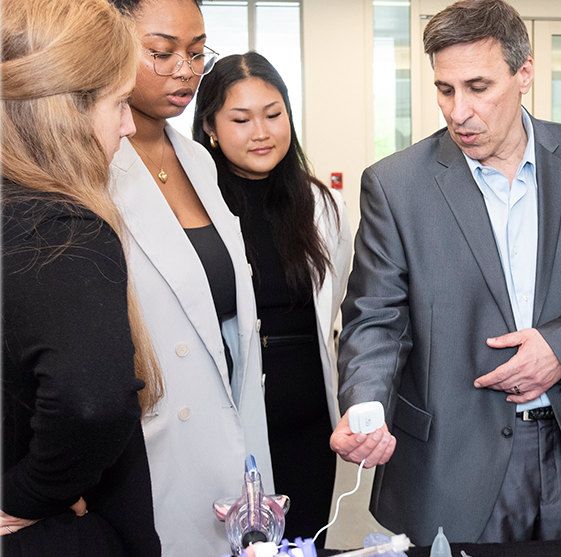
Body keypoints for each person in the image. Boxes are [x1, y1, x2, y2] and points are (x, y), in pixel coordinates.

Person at [328, 0, 561, 546]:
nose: (459, 111)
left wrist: (560, 348)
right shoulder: (396, 187)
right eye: (445, 89)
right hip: (453, 460)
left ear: (524, 72)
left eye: (478, 87)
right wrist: (365, 401)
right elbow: (373, 318)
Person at [107, 1, 273, 555]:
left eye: (198, 52)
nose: (186, 70)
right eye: (161, 53)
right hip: (150, 444)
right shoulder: (90, 165)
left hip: (230, 422)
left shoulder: (198, 162)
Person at [1, 0, 163, 555]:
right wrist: (31, 494)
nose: (129, 124)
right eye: (119, 103)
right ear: (63, 111)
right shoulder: (60, 230)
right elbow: (92, 401)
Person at [192, 52, 353, 545]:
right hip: (229, 422)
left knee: (305, 543)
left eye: (273, 113)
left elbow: (338, 303)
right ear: (211, 128)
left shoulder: (322, 204)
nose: (261, 131)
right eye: (240, 119)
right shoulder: (197, 208)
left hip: (309, 423)